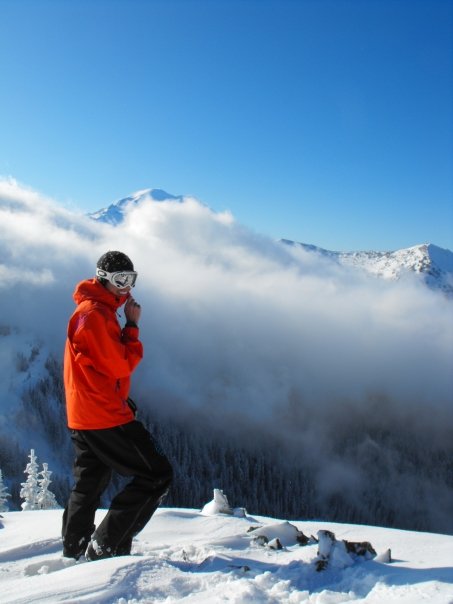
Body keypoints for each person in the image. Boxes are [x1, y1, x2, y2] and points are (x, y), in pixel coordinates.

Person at [62, 251, 173, 561]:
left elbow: (99, 368)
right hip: (103, 415)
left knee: (90, 483)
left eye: (131, 279)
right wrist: (133, 327)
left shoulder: (94, 310)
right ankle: (106, 546)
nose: (126, 288)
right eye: (120, 280)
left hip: (85, 412)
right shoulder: (95, 315)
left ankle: (73, 551)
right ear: (103, 279)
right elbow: (120, 365)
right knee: (156, 474)